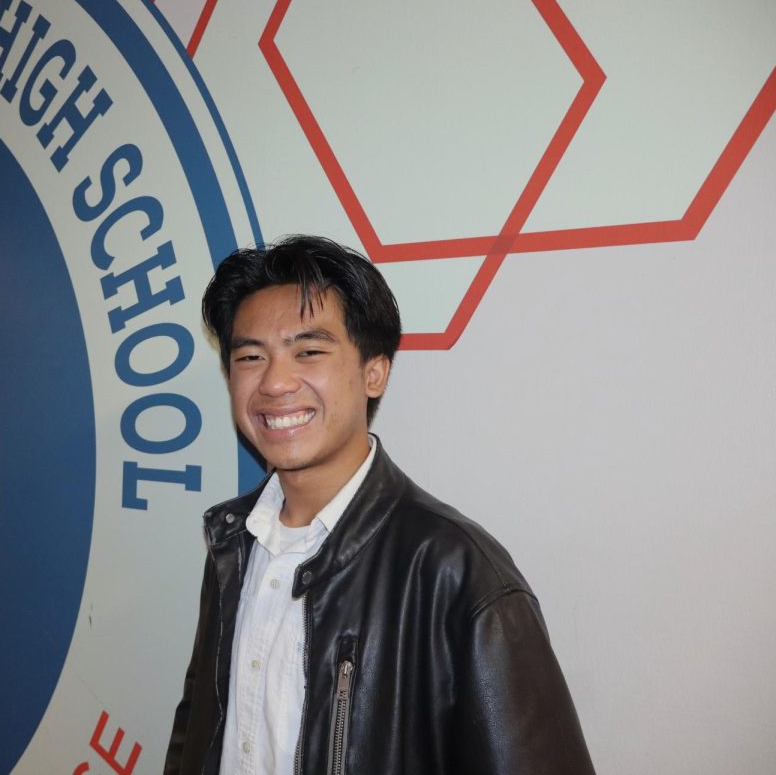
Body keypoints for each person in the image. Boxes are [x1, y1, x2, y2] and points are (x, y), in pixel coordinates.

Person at [165, 236, 594, 775]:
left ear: (375, 371)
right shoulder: (235, 541)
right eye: (250, 357)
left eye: (309, 352)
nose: (274, 382)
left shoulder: (456, 573)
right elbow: (197, 727)